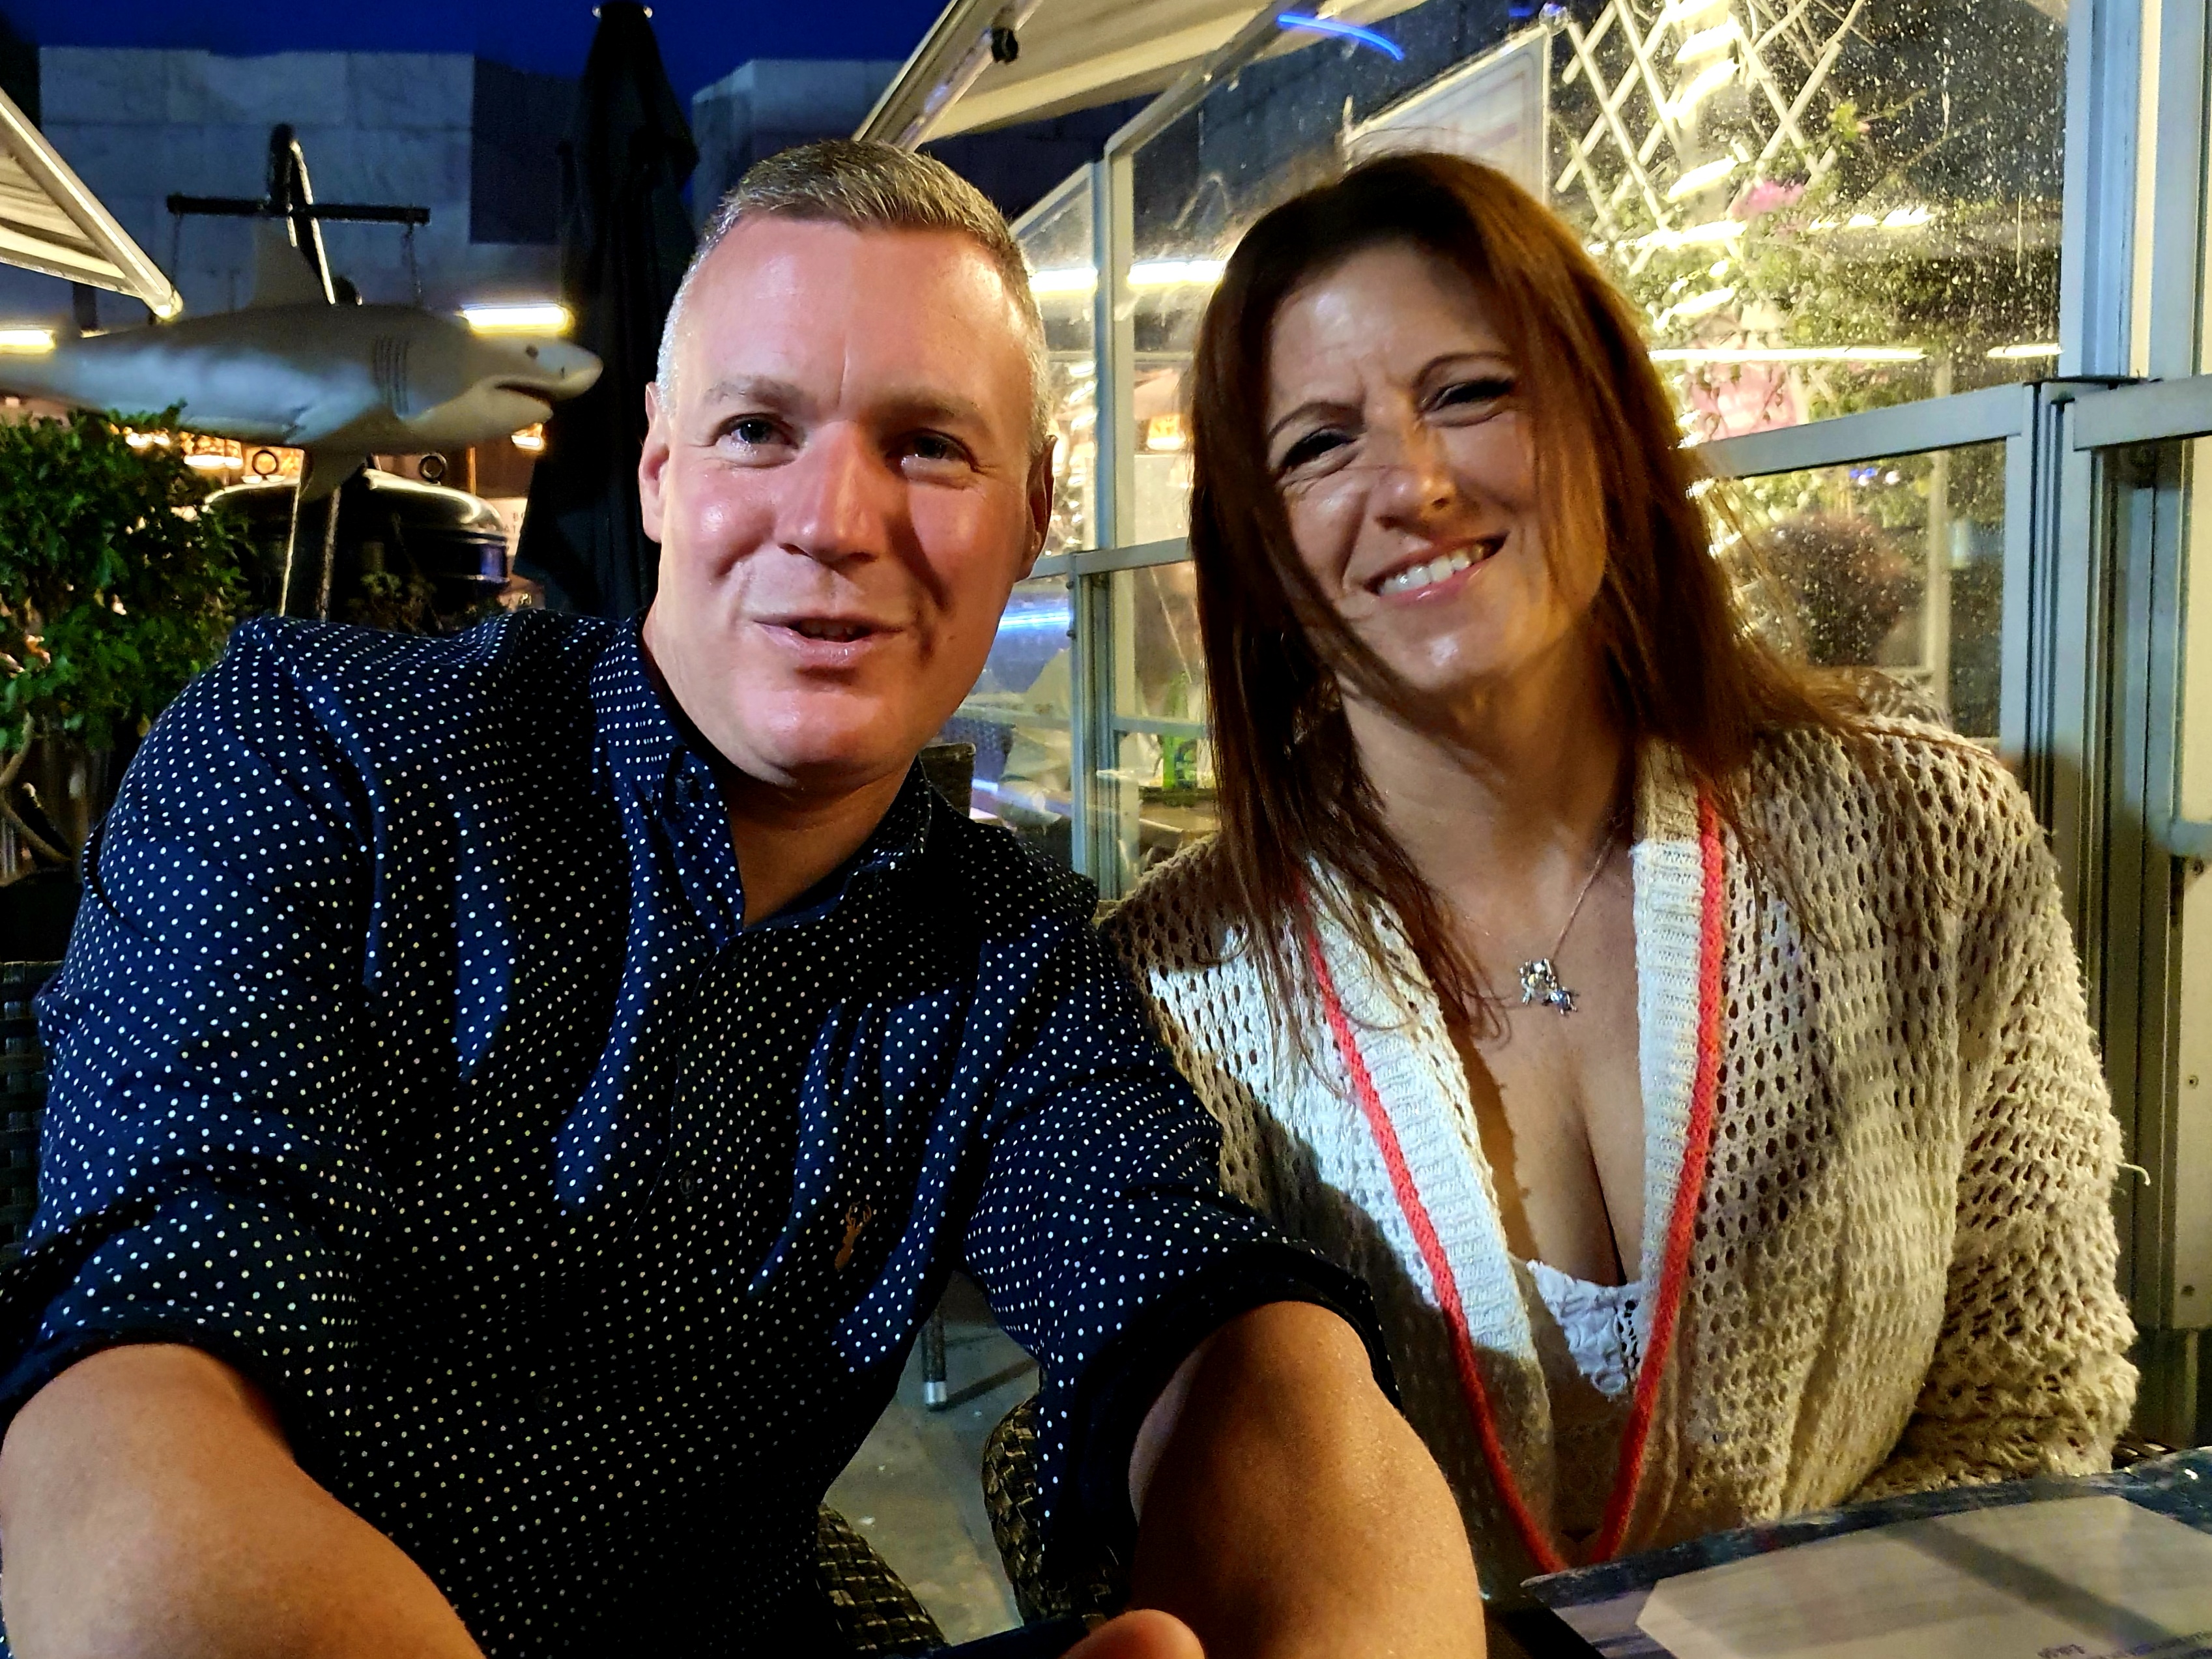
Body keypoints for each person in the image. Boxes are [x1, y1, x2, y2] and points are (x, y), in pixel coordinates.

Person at [0, 143, 1484, 1659]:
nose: (833, 518)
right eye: (759, 428)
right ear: (660, 468)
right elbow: (142, 1379)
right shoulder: (327, 753)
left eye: (928, 445)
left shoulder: (1004, 957)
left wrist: (1326, 1540)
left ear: (1034, 511)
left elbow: (1193, 1309)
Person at [1104, 152, 2136, 1634]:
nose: (1416, 485)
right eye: (1319, 444)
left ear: (1607, 423)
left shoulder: (1928, 842)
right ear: (1257, 548)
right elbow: (1147, 1494)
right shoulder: (1172, 984)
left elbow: (2033, 1395)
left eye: (1472, 392)